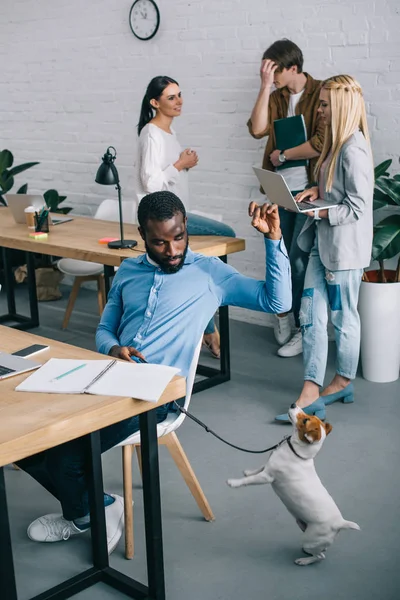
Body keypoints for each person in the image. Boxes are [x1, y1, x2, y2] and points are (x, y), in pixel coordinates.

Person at [17, 191, 291, 551]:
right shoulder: (128, 270)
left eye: (178, 237)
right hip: (107, 376)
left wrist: (274, 241)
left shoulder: (210, 274)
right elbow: (104, 329)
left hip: (156, 397)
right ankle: (96, 505)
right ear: (142, 235)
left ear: (186, 227)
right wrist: (114, 349)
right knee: (25, 443)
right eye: (160, 242)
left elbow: (277, 301)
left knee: (65, 455)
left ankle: (86, 514)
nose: (173, 250)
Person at [275, 75, 373, 422]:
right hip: (323, 243)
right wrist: (318, 193)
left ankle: (344, 380)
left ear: (341, 106)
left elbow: (357, 208)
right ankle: (311, 388)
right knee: (311, 315)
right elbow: (336, 190)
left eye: (323, 104)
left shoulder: (354, 149)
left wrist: (321, 210)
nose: (317, 109)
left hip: (344, 251)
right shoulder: (335, 144)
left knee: (343, 317)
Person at [135, 75, 236, 360]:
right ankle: (208, 327)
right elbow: (149, 184)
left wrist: (183, 164)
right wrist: (180, 163)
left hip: (179, 218)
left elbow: (167, 178)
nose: (178, 102)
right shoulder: (151, 133)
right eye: (171, 97)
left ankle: (206, 326)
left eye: (179, 95)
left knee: (195, 261)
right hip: (160, 222)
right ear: (155, 102)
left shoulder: (169, 134)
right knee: (224, 235)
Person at [248, 39, 325, 358]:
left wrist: (286, 153)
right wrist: (265, 87)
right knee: (278, 256)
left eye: (274, 70)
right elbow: (257, 129)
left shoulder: (322, 92)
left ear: (293, 67)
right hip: (279, 188)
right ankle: (282, 316)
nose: (270, 75)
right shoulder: (276, 96)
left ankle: (302, 328)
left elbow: (322, 142)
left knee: (299, 261)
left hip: (309, 190)